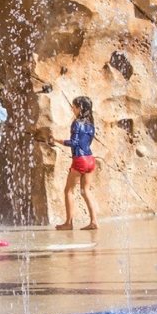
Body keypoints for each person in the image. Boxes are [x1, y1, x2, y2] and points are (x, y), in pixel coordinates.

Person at [54, 96, 101, 231]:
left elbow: (74, 143)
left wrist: (57, 140)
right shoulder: (90, 124)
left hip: (80, 160)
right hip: (90, 159)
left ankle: (68, 223)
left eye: (74, 107)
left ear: (79, 108)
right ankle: (94, 221)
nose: (72, 109)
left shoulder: (77, 123)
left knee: (68, 191)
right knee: (85, 191)